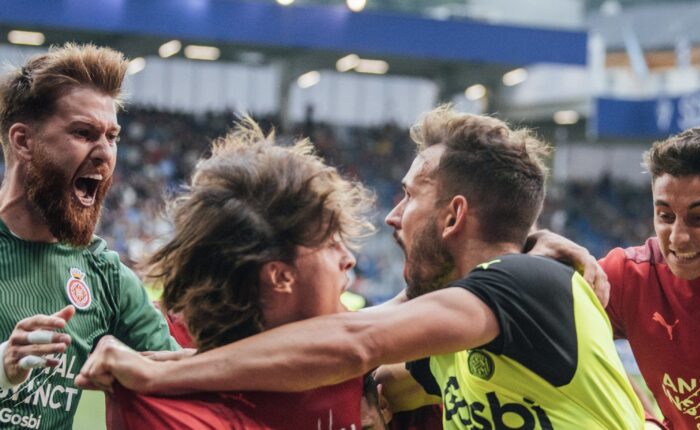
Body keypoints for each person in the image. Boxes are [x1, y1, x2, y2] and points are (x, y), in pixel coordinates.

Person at [78, 106, 646, 429]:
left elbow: (357, 343)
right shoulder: (456, 339)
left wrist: (161, 372)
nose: (393, 216)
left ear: (454, 215)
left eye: (408, 196)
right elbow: (368, 377)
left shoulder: (527, 281)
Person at [103, 118, 387, 429]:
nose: (349, 259)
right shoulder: (153, 349)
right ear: (279, 276)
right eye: (331, 244)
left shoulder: (357, 349)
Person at [0, 44, 178, 430]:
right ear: (23, 141)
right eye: (83, 133)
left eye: (112, 137)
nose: (105, 154)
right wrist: (3, 366)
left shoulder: (104, 276)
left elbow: (189, 374)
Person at [527, 126, 700, 429]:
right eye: (665, 216)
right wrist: (641, 418)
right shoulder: (629, 276)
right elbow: (548, 329)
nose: (678, 237)